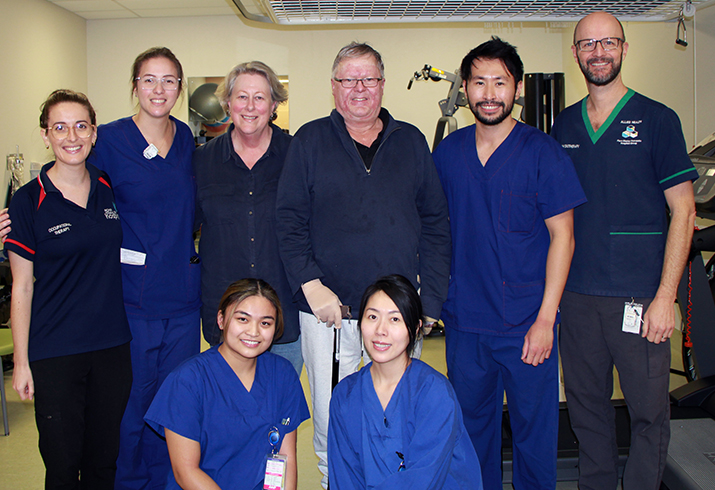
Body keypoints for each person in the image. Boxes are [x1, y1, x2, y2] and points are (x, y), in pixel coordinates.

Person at [275, 42, 451, 488]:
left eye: (368, 79)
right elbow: (289, 221)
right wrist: (312, 286)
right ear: (333, 88)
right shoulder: (310, 141)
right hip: (330, 315)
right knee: (336, 421)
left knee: (398, 412)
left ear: (382, 86)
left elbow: (436, 223)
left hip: (394, 315)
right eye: (348, 80)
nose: (359, 89)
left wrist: (428, 299)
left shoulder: (410, 141)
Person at [551, 12, 698, 489]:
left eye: (608, 42)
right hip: (576, 300)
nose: (598, 52)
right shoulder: (564, 125)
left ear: (624, 48)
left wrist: (665, 296)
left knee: (648, 416)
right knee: (588, 413)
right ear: (575, 53)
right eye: (588, 44)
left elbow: (685, 212)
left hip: (639, 299)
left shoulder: (658, 120)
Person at [432, 37, 586, 489]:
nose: (489, 93)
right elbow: (435, 230)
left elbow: (564, 237)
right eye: (479, 82)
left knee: (534, 438)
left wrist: (545, 319)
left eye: (500, 82)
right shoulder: (448, 153)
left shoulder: (543, 152)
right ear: (465, 88)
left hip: (527, 324)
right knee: (469, 435)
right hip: (465, 324)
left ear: (517, 88)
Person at [5, 89, 132, 488]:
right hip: (56, 352)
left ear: (94, 133)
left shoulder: (107, 184)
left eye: (80, 126)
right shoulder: (28, 202)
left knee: (103, 461)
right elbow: (22, 289)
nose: (71, 136)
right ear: (45, 135)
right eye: (59, 127)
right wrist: (22, 362)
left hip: (112, 348)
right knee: (62, 465)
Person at [88, 47, 201, 489]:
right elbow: (77, 192)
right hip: (132, 297)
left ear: (180, 87)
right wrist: (21, 216)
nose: (159, 89)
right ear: (134, 86)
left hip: (183, 297)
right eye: (149, 79)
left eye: (169, 80)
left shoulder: (188, 139)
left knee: (173, 404)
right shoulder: (110, 141)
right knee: (131, 404)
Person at [144, 278, 310, 490]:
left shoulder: (283, 374)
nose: (254, 332)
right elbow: (185, 472)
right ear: (221, 320)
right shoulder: (187, 381)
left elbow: (285, 461)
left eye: (265, 323)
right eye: (243, 319)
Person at [193, 61, 302, 374]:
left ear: (274, 105)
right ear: (227, 103)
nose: (250, 107)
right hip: (225, 316)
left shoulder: (299, 156)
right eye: (241, 97)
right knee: (229, 413)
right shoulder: (202, 161)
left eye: (260, 97)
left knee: (279, 414)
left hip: (285, 316)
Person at [328, 275, 483, 490]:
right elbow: (344, 478)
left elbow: (423, 480)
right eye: (372, 317)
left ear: (416, 328)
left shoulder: (434, 393)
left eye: (395, 319)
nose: (381, 330)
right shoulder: (345, 395)